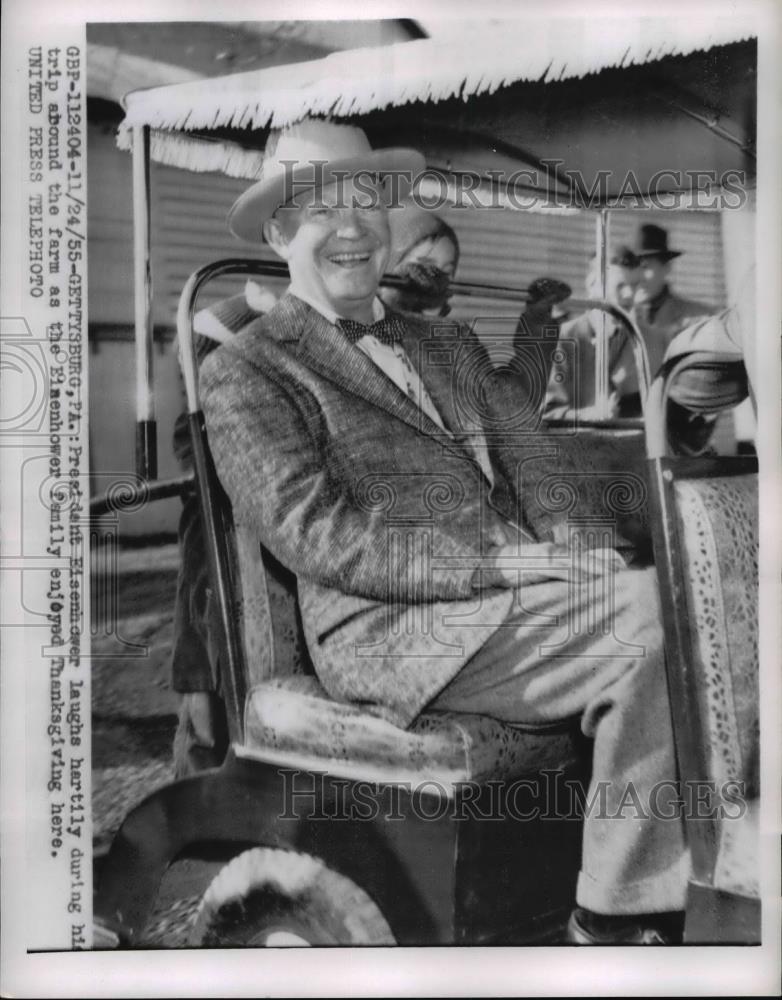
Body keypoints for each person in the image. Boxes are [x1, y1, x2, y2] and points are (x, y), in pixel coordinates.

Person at [199, 119, 689, 944]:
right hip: (394, 629)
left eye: (368, 201)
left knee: (691, 594)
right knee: (649, 623)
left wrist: (574, 540)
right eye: (321, 209)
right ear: (281, 233)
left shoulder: (448, 340)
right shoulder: (248, 368)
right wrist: (500, 562)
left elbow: (530, 458)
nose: (352, 226)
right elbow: (316, 532)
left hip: (507, 601)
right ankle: (614, 914)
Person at [170, 201, 458, 777]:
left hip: (375, 571)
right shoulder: (257, 322)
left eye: (445, 274)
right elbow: (200, 453)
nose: (430, 285)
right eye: (419, 267)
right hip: (261, 549)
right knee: (213, 718)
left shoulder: (415, 349)